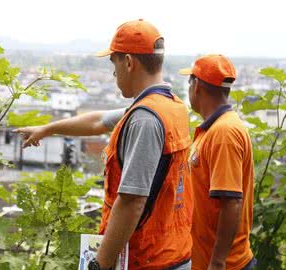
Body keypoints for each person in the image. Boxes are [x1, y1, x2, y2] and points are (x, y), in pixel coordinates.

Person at [14, 19, 193, 269]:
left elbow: (131, 201)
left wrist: (102, 263)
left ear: (129, 62)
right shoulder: (170, 107)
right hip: (173, 251)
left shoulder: (144, 120)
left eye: (114, 63)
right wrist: (47, 129)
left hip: (148, 259)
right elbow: (99, 120)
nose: (113, 73)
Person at [178, 54, 256, 270]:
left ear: (197, 86)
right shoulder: (213, 129)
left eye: (189, 82)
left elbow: (231, 202)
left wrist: (217, 262)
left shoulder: (224, 133)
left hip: (226, 265)